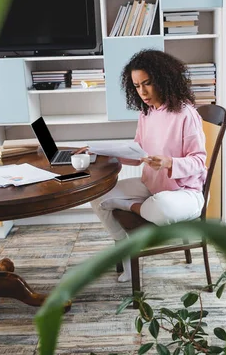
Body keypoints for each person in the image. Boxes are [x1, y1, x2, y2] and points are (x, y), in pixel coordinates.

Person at [85, 49, 208, 282]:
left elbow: (199, 161)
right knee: (96, 195)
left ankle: (131, 206)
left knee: (161, 208)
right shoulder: (147, 114)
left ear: (163, 78)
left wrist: (170, 162)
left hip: (184, 193)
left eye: (147, 83)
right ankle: (125, 250)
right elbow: (137, 154)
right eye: (136, 86)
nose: (142, 92)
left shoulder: (186, 114)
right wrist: (101, 151)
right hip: (151, 186)